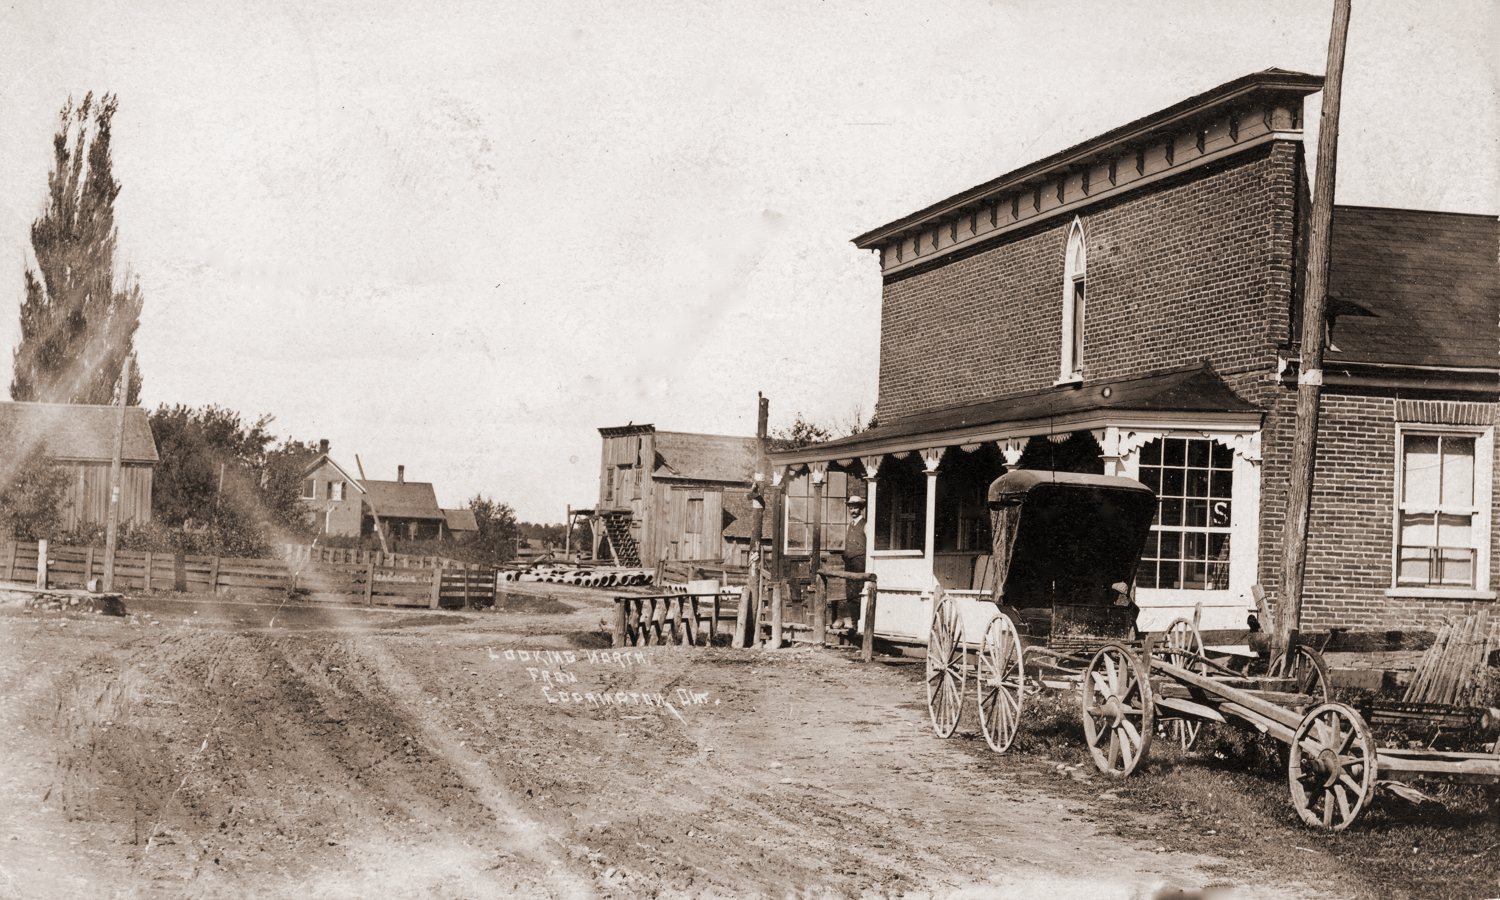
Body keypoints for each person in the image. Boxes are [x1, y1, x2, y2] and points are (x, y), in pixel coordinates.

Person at [836, 494, 868, 630]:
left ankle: (858, 623)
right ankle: (854, 623)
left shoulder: (866, 525)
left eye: (855, 508)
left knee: (858, 592)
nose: (852, 511)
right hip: (849, 563)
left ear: (860, 509)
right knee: (849, 593)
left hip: (860, 562)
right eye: (851, 508)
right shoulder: (849, 526)